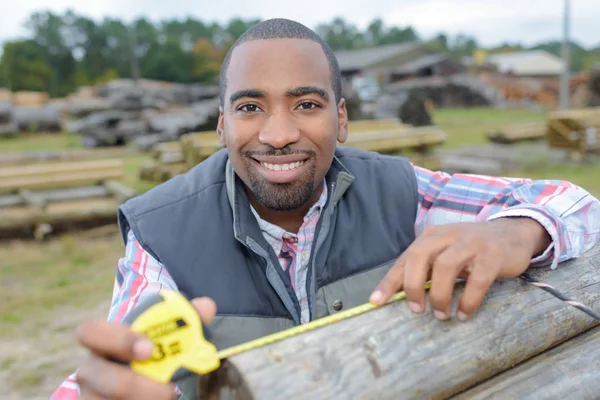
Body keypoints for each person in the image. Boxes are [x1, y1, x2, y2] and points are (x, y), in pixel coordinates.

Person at [51, 18, 600, 400]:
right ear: (221, 125)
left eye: (306, 104)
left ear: (341, 119)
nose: (279, 133)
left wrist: (516, 231)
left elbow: (574, 203)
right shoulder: (161, 231)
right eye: (250, 107)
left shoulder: (399, 190)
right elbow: (114, 363)